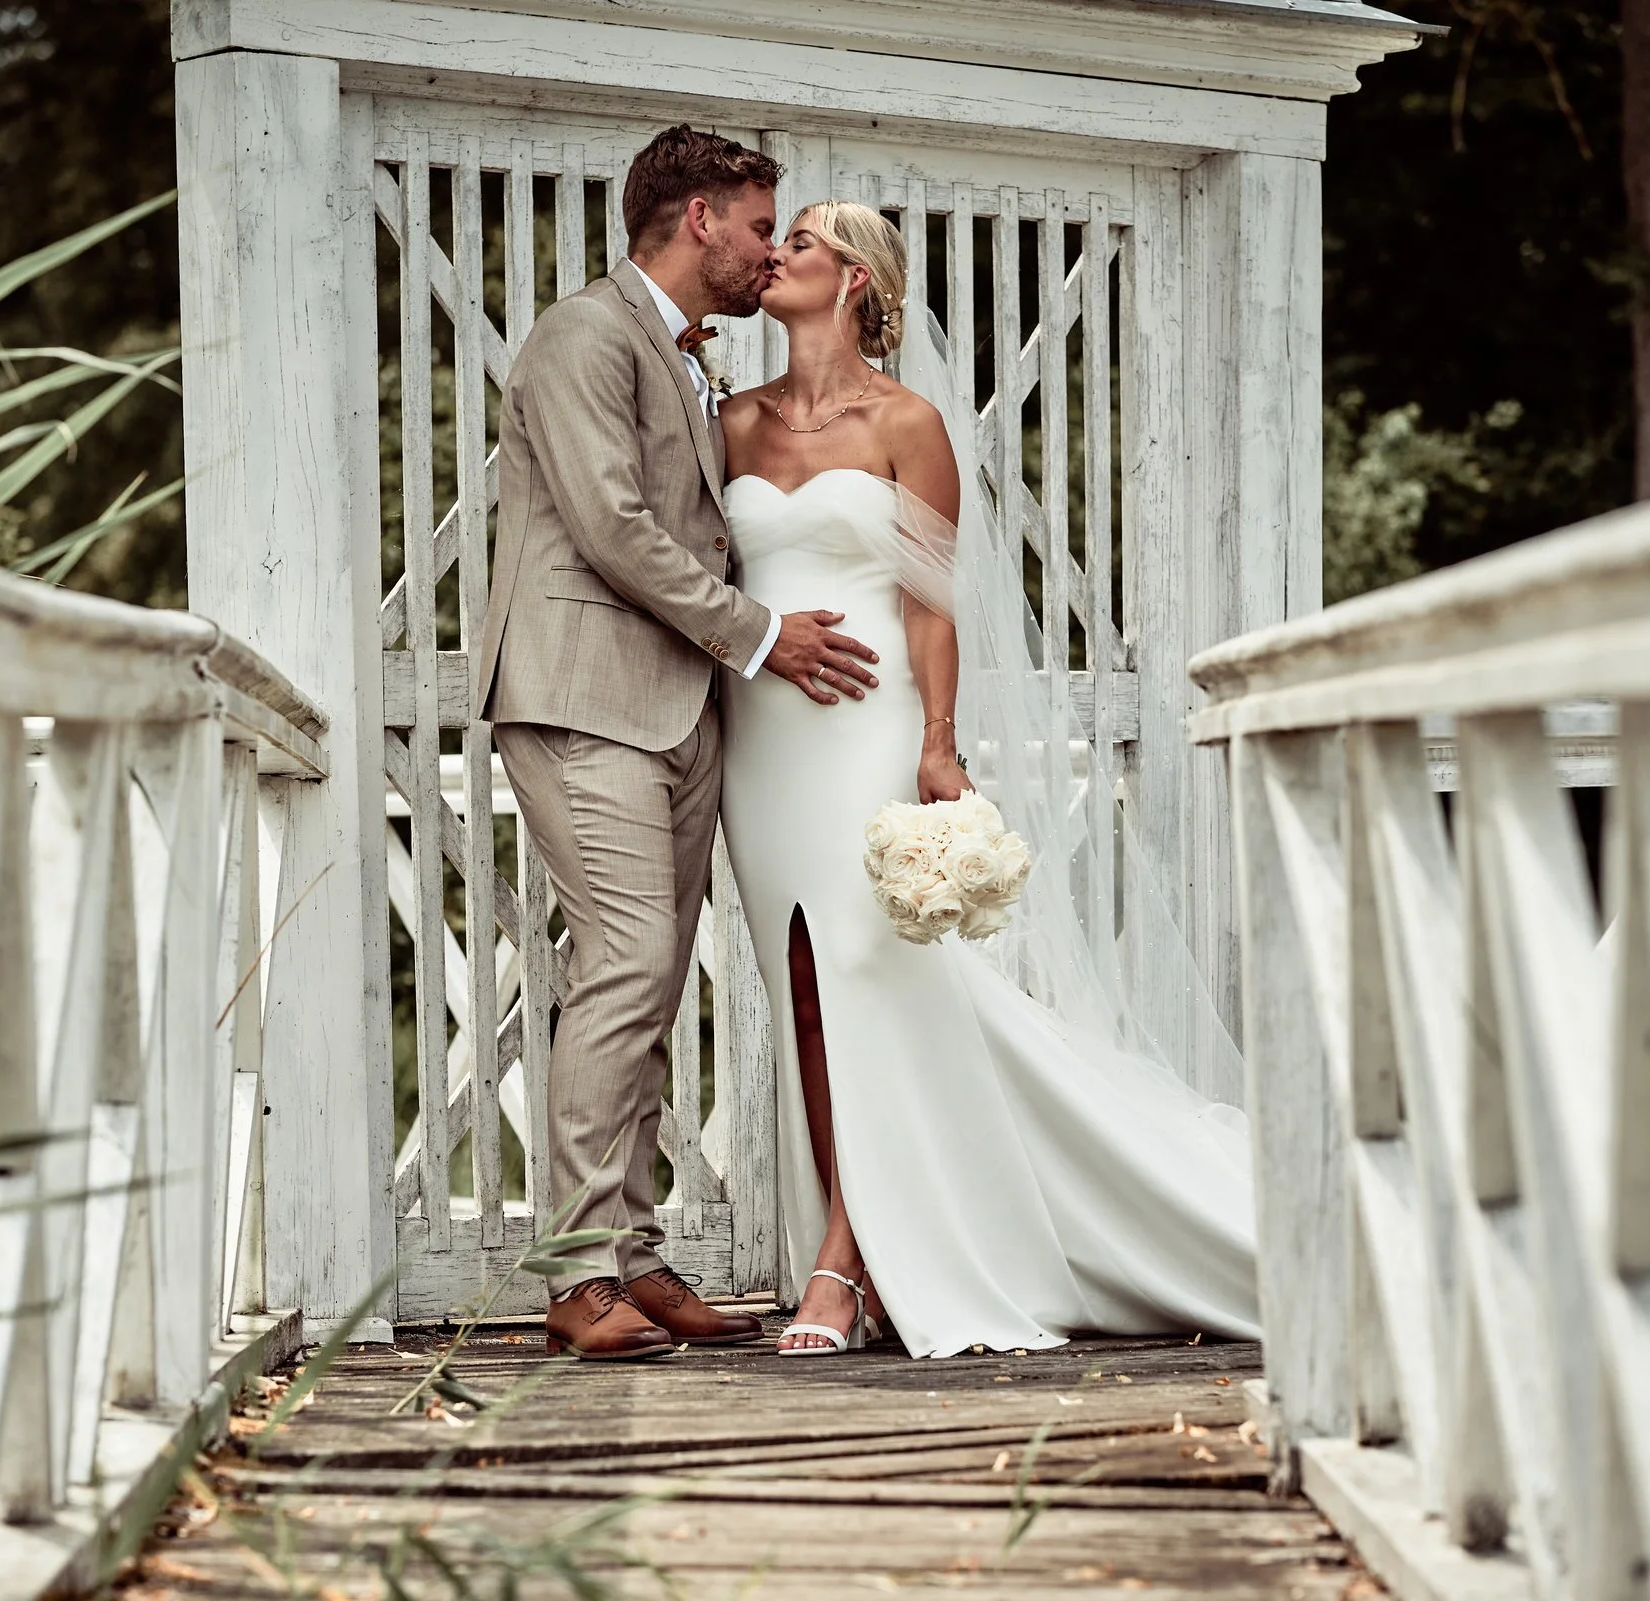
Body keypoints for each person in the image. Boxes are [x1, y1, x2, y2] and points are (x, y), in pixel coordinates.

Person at [717, 203, 1260, 1358]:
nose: (776, 256)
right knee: (803, 984)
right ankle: (852, 1230)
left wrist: (940, 740)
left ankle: (844, 1262)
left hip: (867, 723)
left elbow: (929, 600)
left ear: (855, 278)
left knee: (872, 972)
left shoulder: (906, 421)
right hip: (760, 739)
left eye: (801, 244)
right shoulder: (729, 421)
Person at [473, 127, 881, 1360]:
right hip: (583, 691)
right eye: (761, 225)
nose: (770, 249)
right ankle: (573, 1273)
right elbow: (611, 526)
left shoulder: (684, 354)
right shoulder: (583, 336)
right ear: (698, 217)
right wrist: (759, 635)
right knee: (629, 960)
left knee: (647, 985)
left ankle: (635, 1258)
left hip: (677, 704)